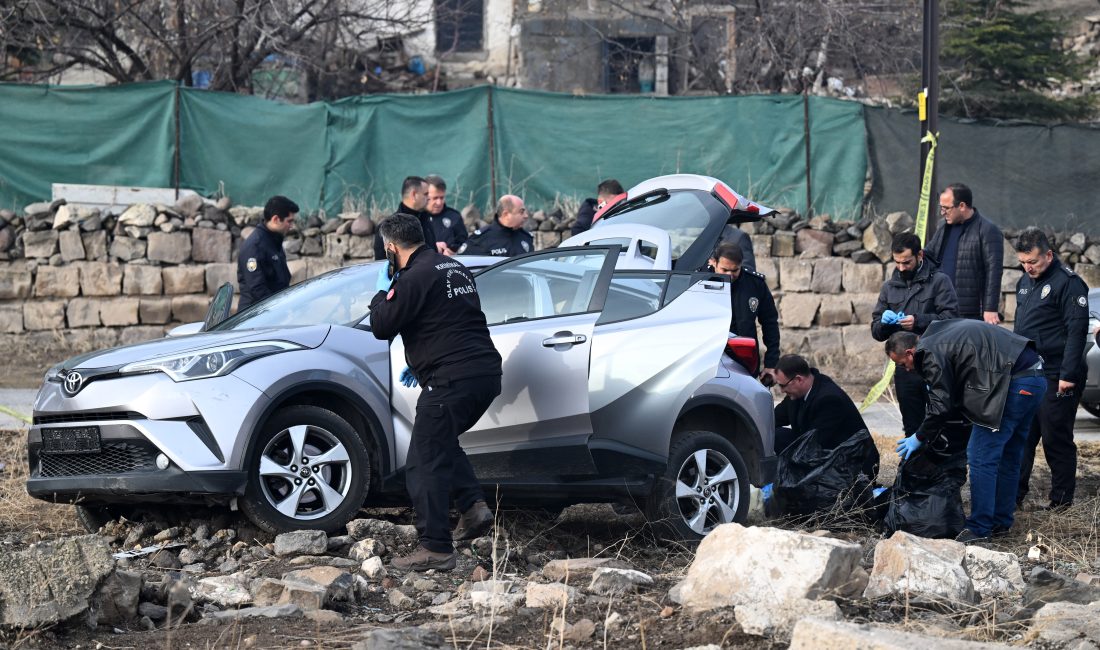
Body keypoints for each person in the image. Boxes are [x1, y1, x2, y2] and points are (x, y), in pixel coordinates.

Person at [368, 213, 503, 571]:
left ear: (392, 249)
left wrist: (383, 288)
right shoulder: (453, 267)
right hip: (484, 373)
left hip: (451, 379)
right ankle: (473, 507)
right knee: (439, 439)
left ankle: (436, 548)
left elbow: (381, 325)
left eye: (387, 252)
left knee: (424, 460)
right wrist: (423, 358)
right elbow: (447, 319)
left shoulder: (413, 277)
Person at [886, 321, 1046, 543]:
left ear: (911, 352)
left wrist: (919, 436)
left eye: (903, 364)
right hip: (1035, 378)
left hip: (1013, 383)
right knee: (1009, 455)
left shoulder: (929, 352)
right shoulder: (938, 333)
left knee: (981, 456)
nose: (906, 370)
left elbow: (941, 405)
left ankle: (979, 529)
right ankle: (1001, 522)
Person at [1013, 228, 1089, 510]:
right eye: (1023, 262)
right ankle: (1014, 495)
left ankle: (1061, 501)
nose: (1028, 267)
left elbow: (1076, 332)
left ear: (1048, 254)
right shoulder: (1025, 281)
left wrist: (1068, 376)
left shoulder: (1068, 284)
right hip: (1029, 372)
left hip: (1057, 373)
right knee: (1022, 437)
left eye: (1032, 261)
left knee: (1055, 437)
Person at [871, 232, 959, 435]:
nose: (901, 268)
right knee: (911, 425)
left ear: (919, 255)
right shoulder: (889, 287)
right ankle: (913, 465)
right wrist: (885, 324)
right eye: (897, 263)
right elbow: (876, 331)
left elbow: (952, 320)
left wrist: (918, 321)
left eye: (906, 262)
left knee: (942, 422)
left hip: (935, 364)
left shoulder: (939, 281)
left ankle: (943, 465)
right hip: (905, 368)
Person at [924, 183, 1004, 323]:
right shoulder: (943, 227)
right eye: (941, 207)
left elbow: (994, 271)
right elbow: (929, 257)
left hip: (970, 312)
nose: (942, 212)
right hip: (941, 308)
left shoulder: (987, 230)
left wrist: (990, 308)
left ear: (961, 206)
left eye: (946, 208)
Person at [708, 242, 779, 386]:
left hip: (744, 360)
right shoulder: (701, 281)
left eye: (735, 270)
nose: (730, 275)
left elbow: (770, 323)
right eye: (725, 269)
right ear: (713, 263)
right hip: (710, 358)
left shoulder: (755, 284)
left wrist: (771, 363)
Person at [773, 354, 867, 452]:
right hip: (823, 449)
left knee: (778, 437)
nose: (782, 391)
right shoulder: (796, 393)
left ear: (799, 380)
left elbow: (814, 444)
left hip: (849, 459)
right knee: (773, 435)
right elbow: (774, 419)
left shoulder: (829, 399)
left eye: (782, 385)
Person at [236, 195, 297, 310]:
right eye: (289, 221)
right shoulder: (255, 247)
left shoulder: (274, 241)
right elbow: (257, 289)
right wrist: (278, 310)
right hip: (256, 317)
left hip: (272, 312)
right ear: (275, 219)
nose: (291, 226)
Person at [373, 176, 443, 260]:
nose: (428, 198)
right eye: (425, 194)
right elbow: (382, 264)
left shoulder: (425, 219)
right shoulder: (388, 227)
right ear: (414, 195)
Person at [457, 194, 534, 257]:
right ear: (506, 214)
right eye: (521, 212)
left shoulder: (526, 237)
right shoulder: (480, 239)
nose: (526, 216)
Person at [424, 175, 468, 255]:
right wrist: (433, 246)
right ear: (425, 195)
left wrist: (453, 250)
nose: (439, 203)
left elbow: (464, 242)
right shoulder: (415, 218)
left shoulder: (454, 216)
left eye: (442, 198)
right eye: (435, 198)